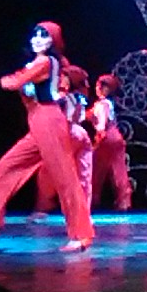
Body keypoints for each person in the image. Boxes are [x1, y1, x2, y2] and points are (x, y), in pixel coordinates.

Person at [0, 21, 94, 251]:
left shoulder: (44, 62)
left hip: (49, 121)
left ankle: (80, 235)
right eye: (35, 35)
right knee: (3, 168)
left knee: (65, 179)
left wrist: (7, 80)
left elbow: (14, 82)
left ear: (53, 41)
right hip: (38, 122)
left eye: (44, 36)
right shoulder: (39, 63)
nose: (37, 40)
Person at [31, 64, 94, 221]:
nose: (60, 79)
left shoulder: (62, 98)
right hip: (81, 134)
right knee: (83, 175)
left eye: (63, 77)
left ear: (70, 80)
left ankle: (43, 208)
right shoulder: (80, 97)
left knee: (49, 172)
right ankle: (83, 213)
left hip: (67, 133)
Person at [87, 73, 132, 210]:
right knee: (117, 168)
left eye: (99, 86)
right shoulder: (105, 103)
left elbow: (102, 123)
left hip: (107, 136)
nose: (97, 88)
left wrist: (99, 136)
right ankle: (124, 200)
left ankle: (92, 198)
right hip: (115, 136)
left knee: (96, 167)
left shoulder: (103, 104)